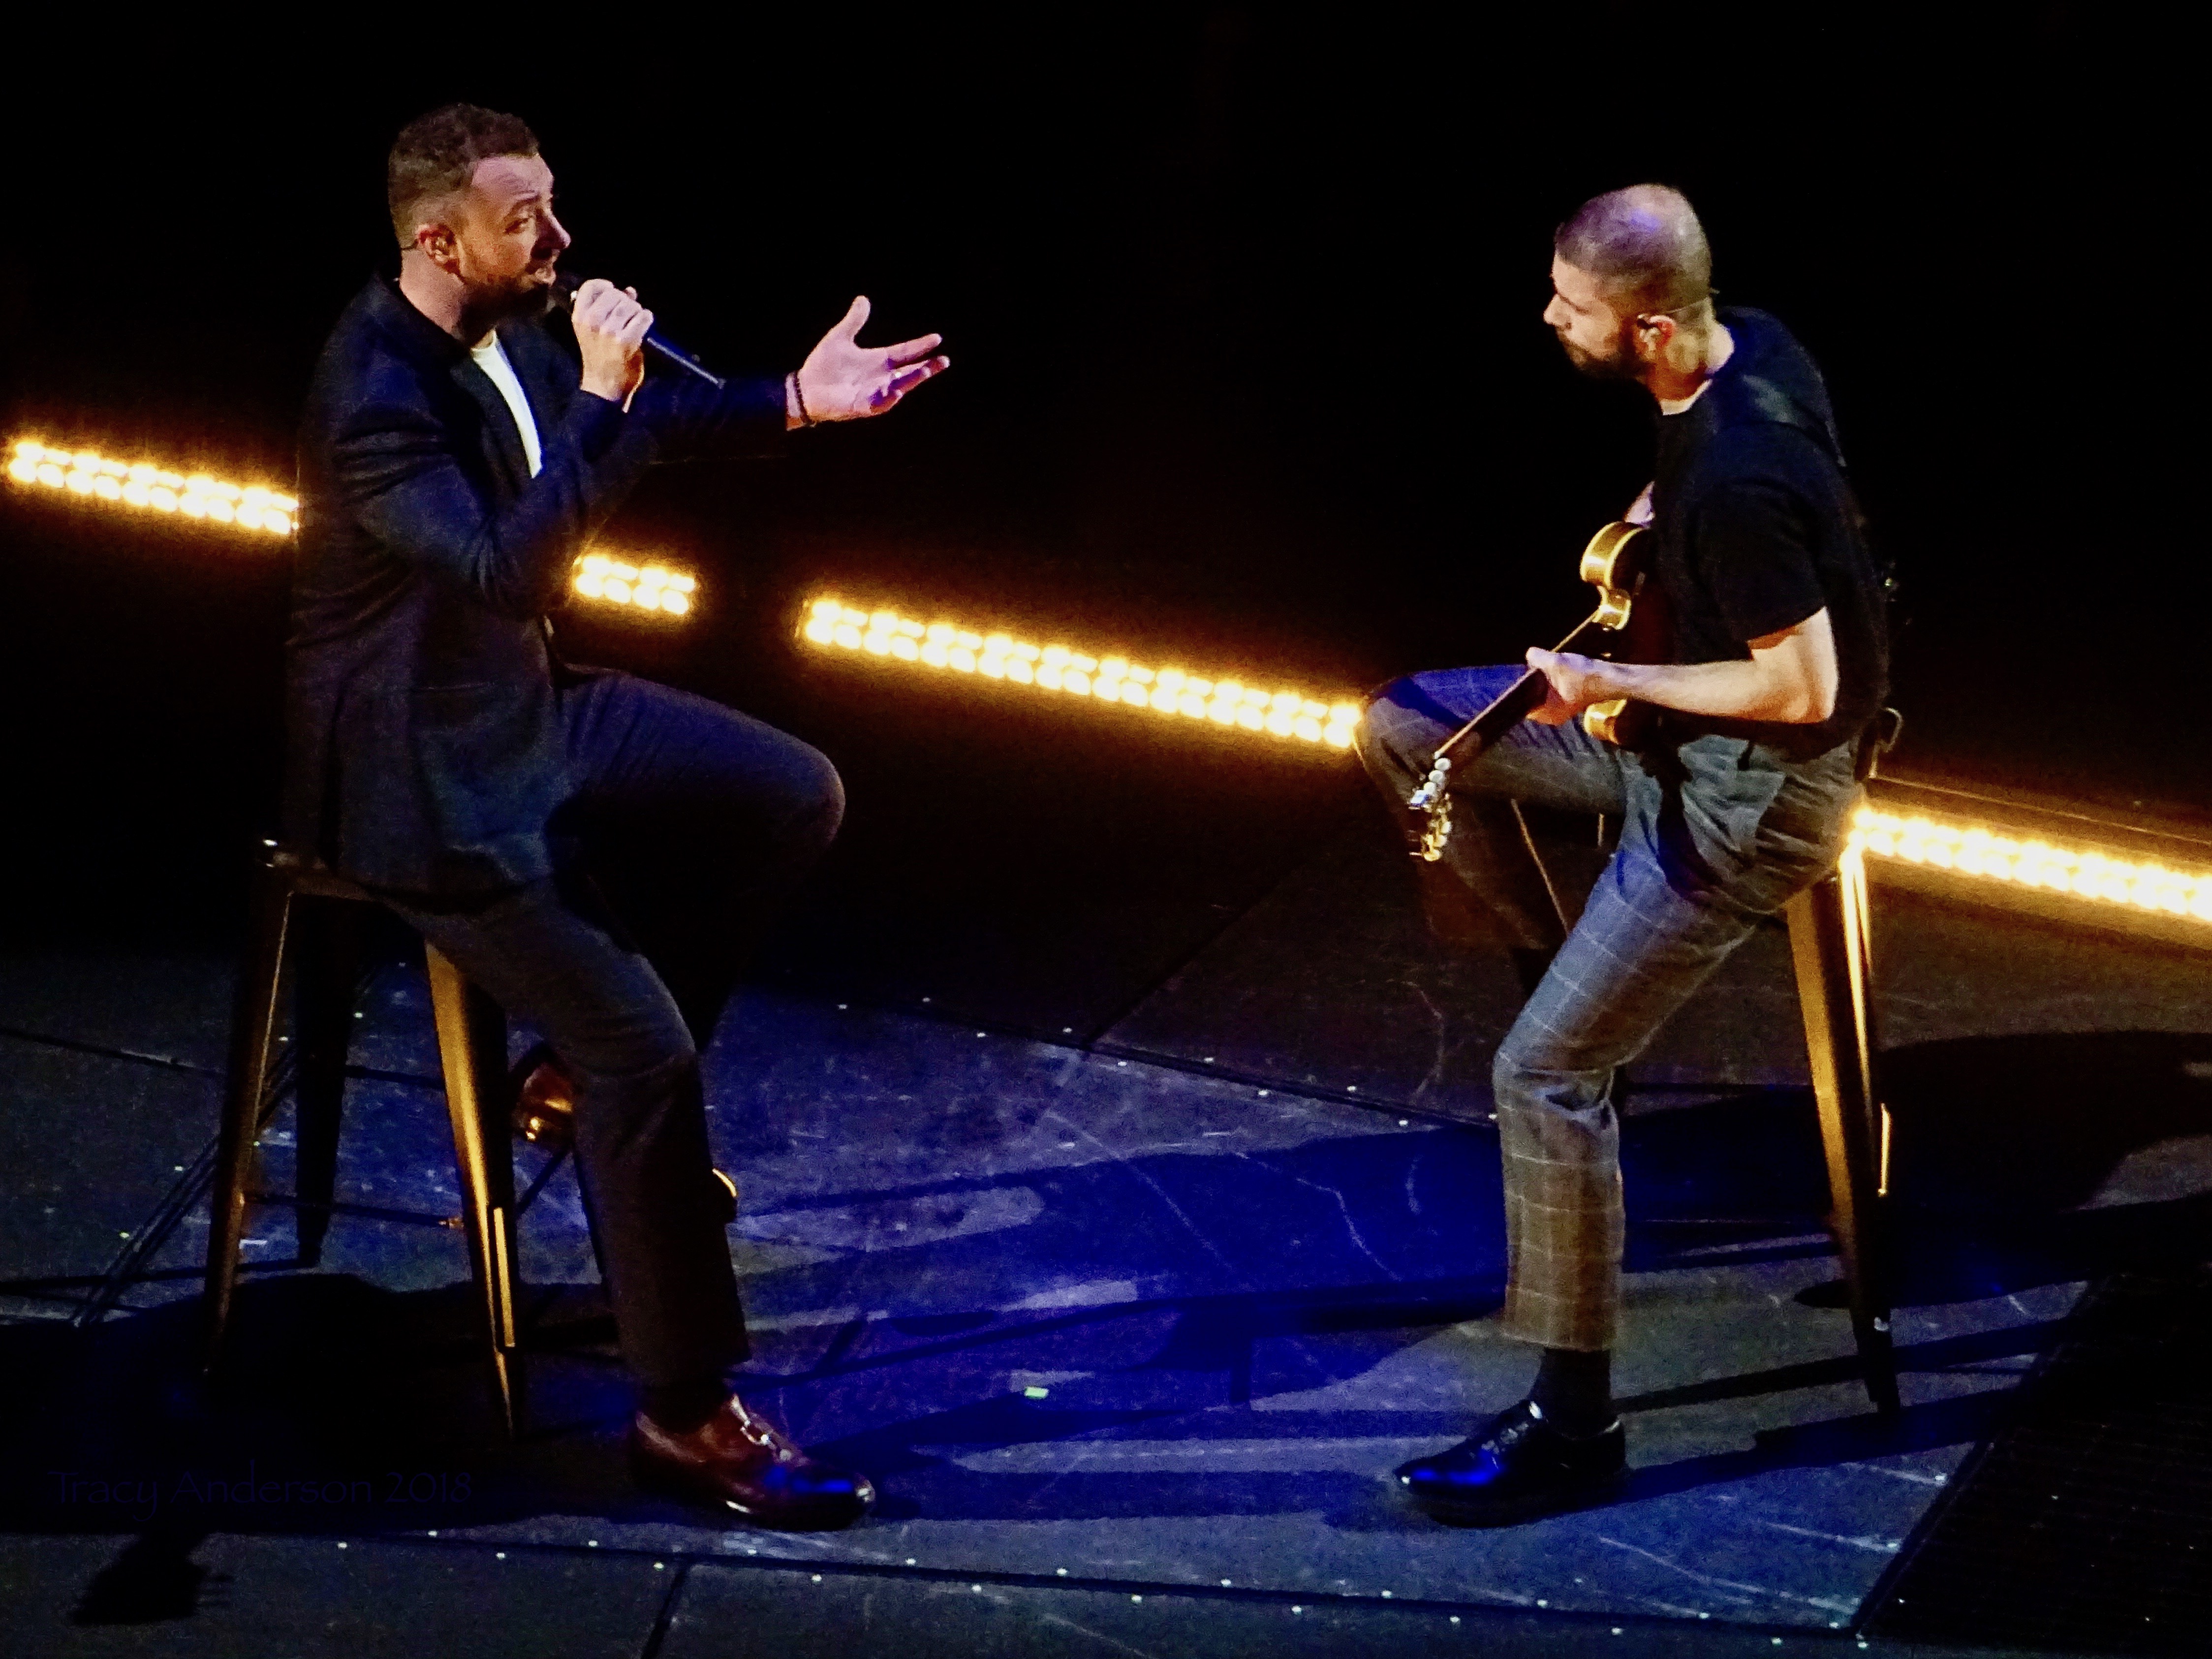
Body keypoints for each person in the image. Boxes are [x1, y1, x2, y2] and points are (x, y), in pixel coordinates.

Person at [283, 104, 948, 1528]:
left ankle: (567, 1083)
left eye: (553, 206)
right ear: (437, 239)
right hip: (419, 780)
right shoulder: (374, 394)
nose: (560, 239)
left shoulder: (511, 324)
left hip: (521, 712)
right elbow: (506, 572)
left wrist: (793, 398)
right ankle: (686, 1413)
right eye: (524, 219)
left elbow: (641, 422)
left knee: (789, 791)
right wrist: (595, 395)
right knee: (644, 1048)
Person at [1356, 184, 1888, 1525]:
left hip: (1750, 799)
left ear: (1648, 326)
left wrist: (1608, 679)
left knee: (1538, 1073)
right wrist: (1652, 531)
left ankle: (1574, 1428)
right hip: (1665, 737)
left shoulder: (1744, 483)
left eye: (1572, 304)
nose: (1550, 316)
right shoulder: (1750, 346)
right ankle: (1574, 985)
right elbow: (1741, 502)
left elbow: (1805, 687)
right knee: (1406, 725)